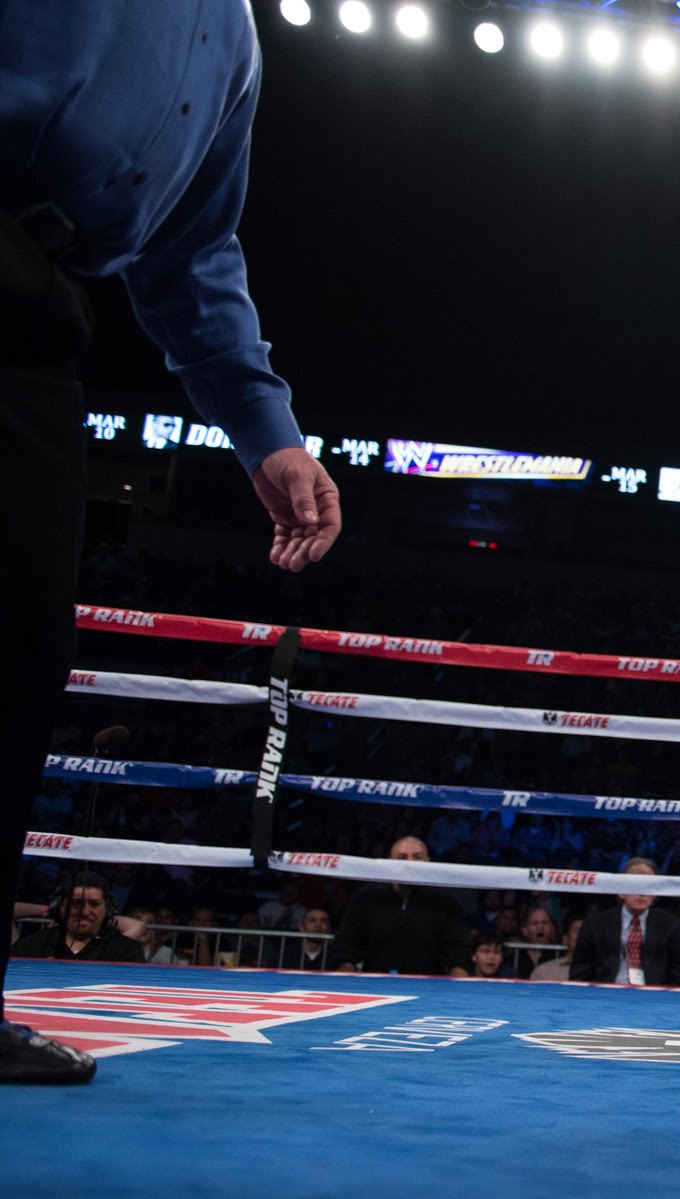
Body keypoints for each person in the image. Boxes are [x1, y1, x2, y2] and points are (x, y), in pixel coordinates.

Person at [0, 5, 343, 1083]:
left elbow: (193, 248)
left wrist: (265, 431)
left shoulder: (233, 43)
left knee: (15, 658)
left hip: (37, 314)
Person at [326, 838, 472, 977]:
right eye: (402, 857)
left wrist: (460, 995)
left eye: (417, 857)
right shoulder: (367, 896)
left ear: (428, 861)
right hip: (375, 983)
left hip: (430, 988)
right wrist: (348, 982)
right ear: (390, 861)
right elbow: (344, 949)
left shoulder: (445, 900)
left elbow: (459, 956)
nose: (409, 863)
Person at [568, 860, 680, 987]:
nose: (642, 893)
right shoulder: (595, 924)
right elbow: (579, 975)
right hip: (605, 996)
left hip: (653, 998)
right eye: (635, 885)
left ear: (655, 893)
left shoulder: (672, 925)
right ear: (621, 891)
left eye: (648, 885)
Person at [11, 873, 145, 965]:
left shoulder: (127, 951)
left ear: (107, 909)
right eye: (76, 904)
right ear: (60, 907)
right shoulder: (31, 946)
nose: (85, 912)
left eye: (94, 904)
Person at [530, 917, 586, 982]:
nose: (583, 935)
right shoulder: (543, 972)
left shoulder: (598, 972)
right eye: (577, 931)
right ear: (565, 939)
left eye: (586, 932)